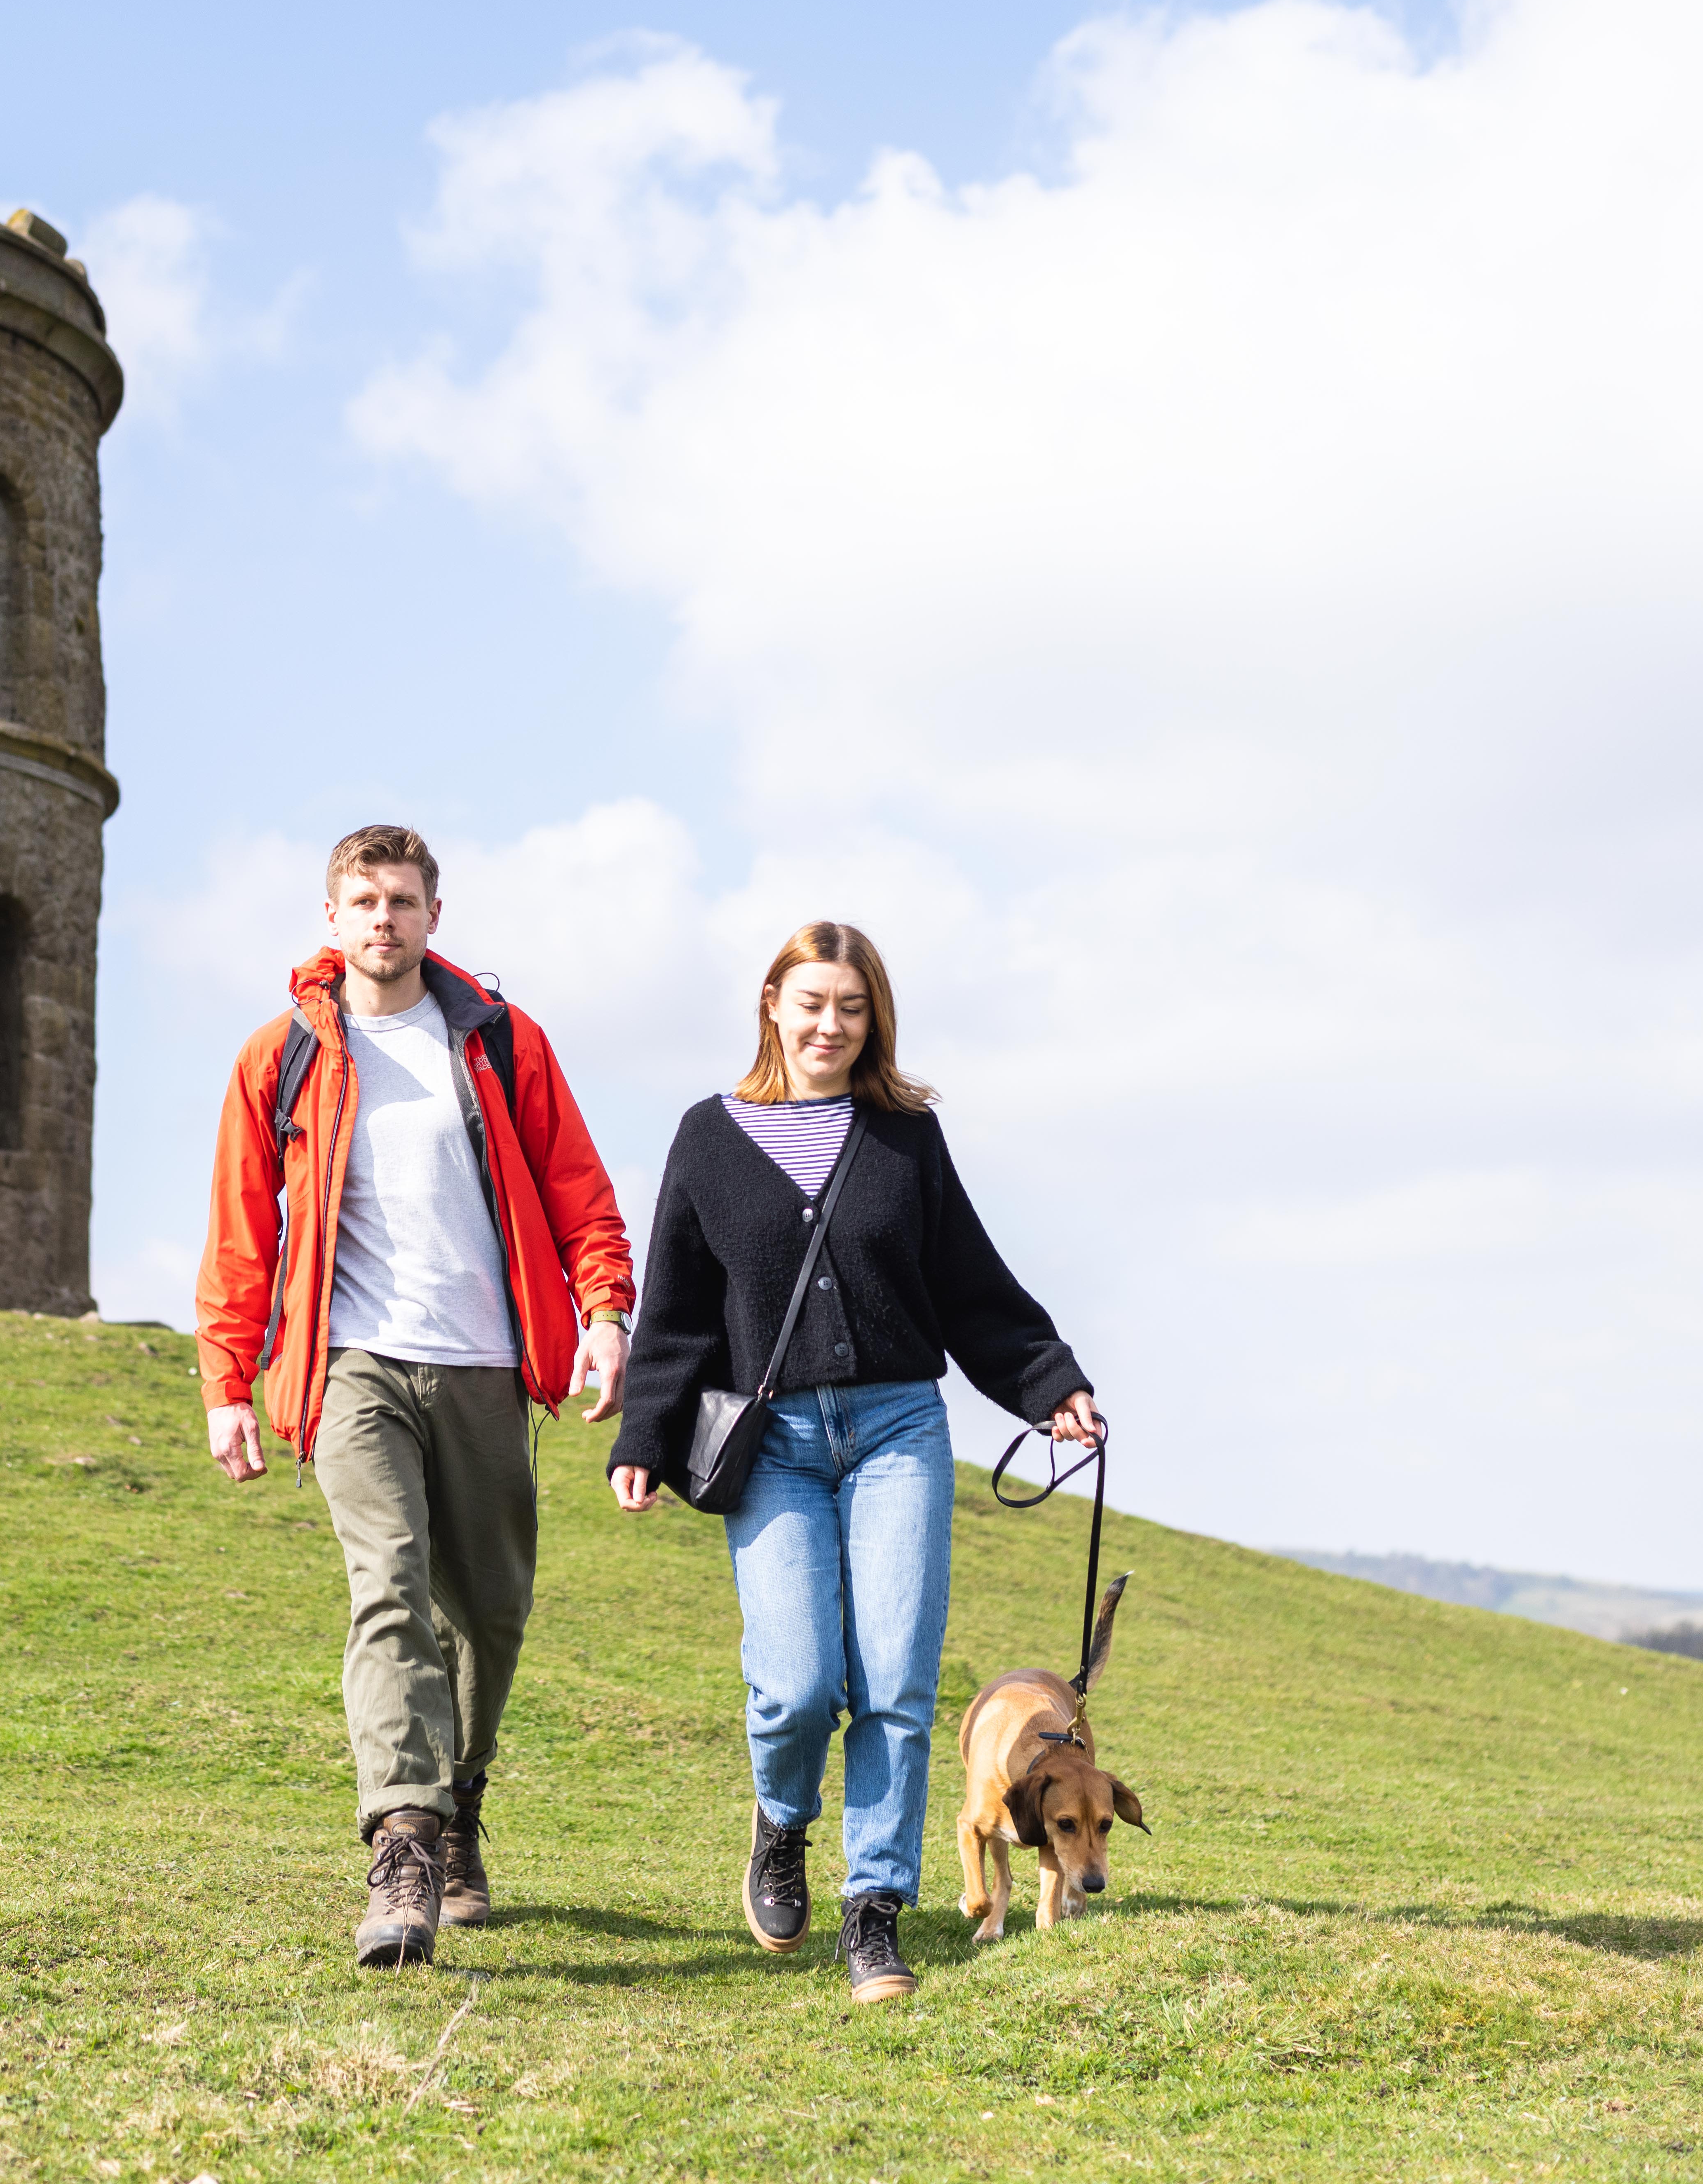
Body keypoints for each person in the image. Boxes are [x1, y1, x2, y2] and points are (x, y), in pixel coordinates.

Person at [608, 920, 1102, 2005]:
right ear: (773, 1004)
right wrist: (644, 1436)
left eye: (853, 1007)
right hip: (773, 1440)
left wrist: (1051, 1383)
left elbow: (971, 1282)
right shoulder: (708, 1136)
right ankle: (781, 1824)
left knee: (896, 1687)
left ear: (873, 1019)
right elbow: (679, 1310)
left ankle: (874, 1916)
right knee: (796, 1687)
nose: (831, 1024)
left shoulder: (904, 1138)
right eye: (813, 1002)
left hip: (897, 1434)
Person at [197, 824, 638, 1967]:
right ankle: (402, 1845)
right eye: (362, 901)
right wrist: (227, 1383)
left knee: (487, 1613)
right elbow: (243, 1238)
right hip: (355, 1364)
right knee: (387, 1587)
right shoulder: (280, 1056)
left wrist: (604, 1315)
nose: (382, 919)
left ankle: (458, 1807)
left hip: (489, 1362)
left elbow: (579, 1189)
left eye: (400, 899)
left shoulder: (498, 1041)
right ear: (331, 919)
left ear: (434, 915)